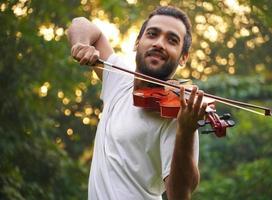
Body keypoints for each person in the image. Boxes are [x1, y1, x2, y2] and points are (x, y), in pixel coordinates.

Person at [68, 6, 207, 200]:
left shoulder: (178, 115)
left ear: (183, 57)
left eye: (172, 40)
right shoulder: (119, 79)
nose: (159, 43)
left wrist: (185, 131)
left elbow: (179, 195)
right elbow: (80, 24)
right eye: (152, 34)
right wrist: (81, 44)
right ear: (137, 42)